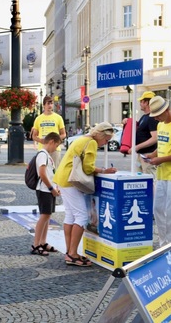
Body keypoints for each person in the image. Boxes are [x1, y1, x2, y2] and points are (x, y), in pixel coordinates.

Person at [53, 122, 117, 267]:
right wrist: (104, 171)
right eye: (106, 140)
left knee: (70, 215)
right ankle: (73, 253)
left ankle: (69, 251)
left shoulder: (82, 138)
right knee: (81, 216)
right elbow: (88, 168)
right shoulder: (91, 143)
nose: (105, 144)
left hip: (63, 178)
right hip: (72, 181)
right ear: (101, 135)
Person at [145, 96, 171, 246]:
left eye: (159, 114)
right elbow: (163, 146)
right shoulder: (161, 125)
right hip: (162, 173)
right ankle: (163, 243)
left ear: (167, 110)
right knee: (158, 209)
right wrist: (153, 155)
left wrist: (161, 160)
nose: (157, 118)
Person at [30, 132, 62, 256]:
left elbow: (50, 173)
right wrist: (51, 188)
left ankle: (43, 242)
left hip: (48, 189)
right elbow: (42, 173)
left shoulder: (47, 155)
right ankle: (36, 244)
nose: (56, 148)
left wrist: (55, 187)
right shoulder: (42, 155)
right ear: (51, 142)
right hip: (44, 189)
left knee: (47, 216)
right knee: (44, 216)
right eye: (56, 145)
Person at [124, 91, 158, 179]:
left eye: (141, 101)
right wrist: (127, 121)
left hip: (148, 154)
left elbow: (155, 138)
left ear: (146, 102)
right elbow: (139, 128)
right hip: (141, 154)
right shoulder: (144, 116)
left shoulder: (152, 118)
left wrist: (137, 147)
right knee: (139, 179)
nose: (140, 103)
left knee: (150, 180)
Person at [31, 96, 66, 167]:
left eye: (51, 103)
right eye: (48, 103)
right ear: (44, 105)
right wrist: (41, 140)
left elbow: (63, 134)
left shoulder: (58, 118)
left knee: (55, 171)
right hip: (42, 149)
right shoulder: (38, 119)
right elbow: (34, 136)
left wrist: (55, 140)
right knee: (42, 170)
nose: (50, 105)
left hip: (55, 149)